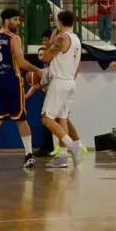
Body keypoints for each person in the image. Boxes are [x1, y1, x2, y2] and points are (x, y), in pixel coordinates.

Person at [0, 8, 42, 171]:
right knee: (20, 118)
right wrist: (38, 71)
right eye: (15, 19)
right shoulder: (14, 38)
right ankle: (29, 155)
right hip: (12, 81)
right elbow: (22, 63)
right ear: (6, 20)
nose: (18, 23)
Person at [40, 10, 85, 168]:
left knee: (46, 118)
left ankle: (72, 146)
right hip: (70, 81)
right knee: (62, 118)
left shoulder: (61, 38)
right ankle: (63, 156)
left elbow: (46, 56)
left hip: (59, 81)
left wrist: (52, 39)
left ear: (59, 22)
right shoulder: (76, 38)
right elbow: (78, 65)